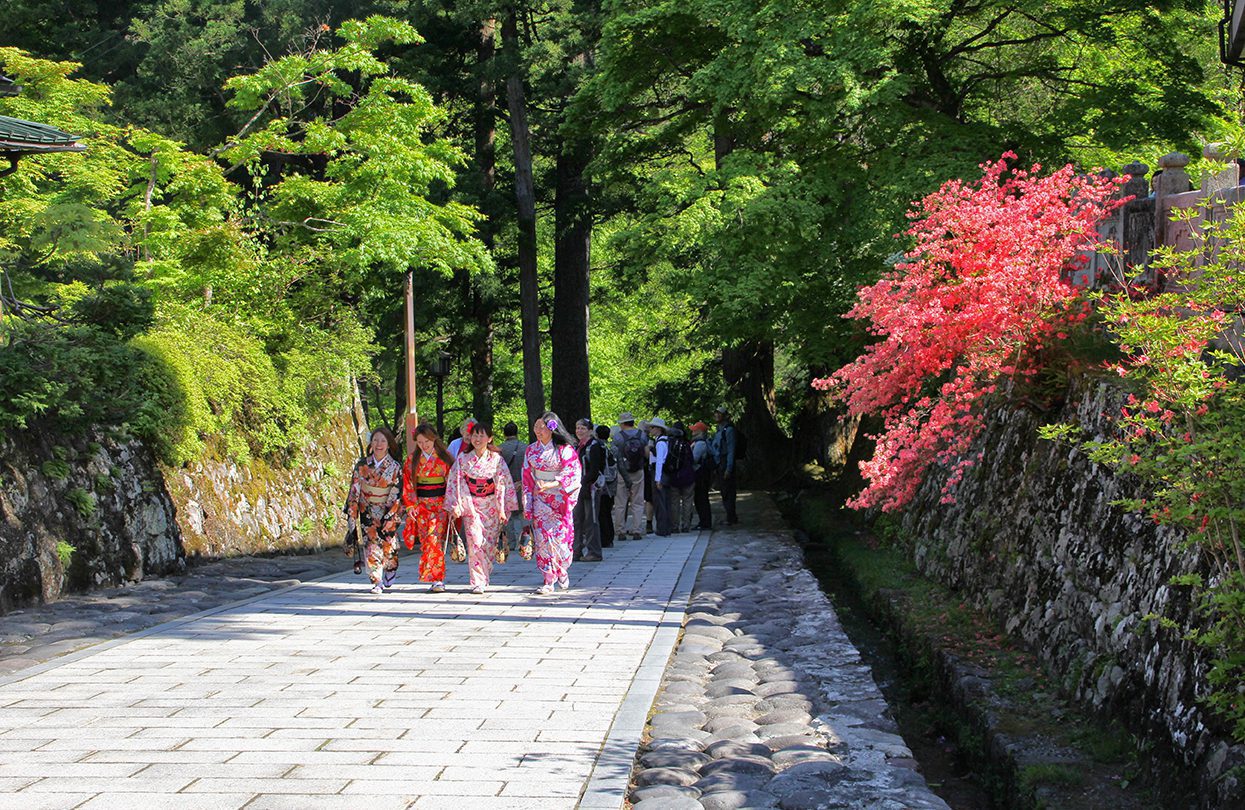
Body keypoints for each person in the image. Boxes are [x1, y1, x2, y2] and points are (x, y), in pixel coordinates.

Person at [444, 421, 518, 594]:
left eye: (481, 435)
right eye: (474, 435)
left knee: (489, 544)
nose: (477, 439)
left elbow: (502, 482)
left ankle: (485, 574)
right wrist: (457, 504)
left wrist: (502, 508)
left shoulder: (497, 459)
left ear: (489, 438)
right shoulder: (463, 458)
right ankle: (478, 580)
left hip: (491, 504)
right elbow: (456, 481)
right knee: (475, 542)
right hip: (471, 504)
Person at [521, 412, 582, 595]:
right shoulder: (531, 450)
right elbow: (526, 476)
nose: (538, 430)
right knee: (542, 541)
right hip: (540, 499)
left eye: (543, 427)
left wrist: (552, 484)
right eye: (536, 426)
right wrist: (529, 500)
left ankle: (562, 569)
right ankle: (548, 579)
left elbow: (573, 473)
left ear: (552, 428)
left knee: (562, 543)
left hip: (560, 500)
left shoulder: (565, 450)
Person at [347, 426, 402, 594]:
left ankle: (390, 567)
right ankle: (376, 580)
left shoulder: (394, 466)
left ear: (389, 444)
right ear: (371, 443)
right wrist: (353, 510)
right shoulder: (362, 465)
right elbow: (355, 488)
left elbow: (397, 490)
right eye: (376, 440)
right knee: (371, 545)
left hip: (387, 509)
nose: (379, 444)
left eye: (383, 441)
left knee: (388, 545)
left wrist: (391, 512)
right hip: (367, 509)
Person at [401, 423, 454, 593]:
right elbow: (408, 484)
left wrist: (451, 503)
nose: (424, 445)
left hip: (440, 505)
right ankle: (433, 577)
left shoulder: (445, 458)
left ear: (434, 439)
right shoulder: (412, 460)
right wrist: (411, 505)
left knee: (435, 540)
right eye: (420, 442)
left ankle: (437, 578)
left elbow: (452, 483)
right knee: (426, 541)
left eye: (427, 441)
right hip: (422, 505)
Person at [572, 419, 606, 562]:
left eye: (583, 428)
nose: (579, 431)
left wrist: (583, 481)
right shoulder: (578, 446)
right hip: (578, 488)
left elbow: (595, 469)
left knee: (591, 520)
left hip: (591, 488)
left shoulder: (594, 446)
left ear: (590, 430)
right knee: (577, 519)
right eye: (577, 428)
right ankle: (576, 550)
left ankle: (594, 552)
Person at [611, 412, 647, 541]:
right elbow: (646, 453)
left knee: (621, 502)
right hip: (638, 471)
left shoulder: (618, 437)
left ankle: (620, 531)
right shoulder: (642, 435)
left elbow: (614, 454)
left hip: (622, 472)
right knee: (637, 501)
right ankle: (637, 530)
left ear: (622, 423)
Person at [497, 421, 528, 549]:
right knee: (522, 514)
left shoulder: (500, 448)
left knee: (508, 514)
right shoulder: (525, 447)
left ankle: (511, 542)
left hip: (506, 484)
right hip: (522, 483)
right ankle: (525, 541)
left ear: (504, 433)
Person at [712, 406, 739, 525]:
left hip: (725, 463)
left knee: (729, 491)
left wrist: (729, 468)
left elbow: (731, 450)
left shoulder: (729, 430)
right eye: (716, 413)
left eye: (720, 413)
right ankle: (730, 516)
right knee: (724, 491)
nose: (717, 415)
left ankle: (731, 517)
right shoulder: (719, 430)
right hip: (719, 463)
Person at [668, 421, 696, 532]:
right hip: (687, 476)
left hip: (674, 476)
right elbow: (691, 460)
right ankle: (686, 525)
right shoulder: (686, 445)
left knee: (674, 502)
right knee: (687, 501)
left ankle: (675, 526)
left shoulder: (669, 444)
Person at [648, 417, 673, 536]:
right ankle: (666, 526)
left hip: (661, 474)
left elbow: (659, 462)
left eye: (652, 427)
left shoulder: (661, 443)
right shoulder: (663, 441)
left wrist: (658, 479)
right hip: (664, 474)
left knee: (661, 501)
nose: (650, 429)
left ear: (658, 429)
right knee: (664, 500)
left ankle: (663, 528)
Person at [690, 421, 714, 530]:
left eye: (694, 430)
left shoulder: (700, 444)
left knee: (701, 499)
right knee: (700, 498)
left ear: (700, 431)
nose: (692, 432)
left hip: (701, 475)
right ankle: (703, 521)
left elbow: (694, 459)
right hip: (702, 474)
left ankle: (705, 523)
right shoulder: (700, 442)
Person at [595, 424, 617, 548]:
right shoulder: (611, 447)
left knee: (601, 513)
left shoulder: (598, 447)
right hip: (611, 483)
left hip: (602, 484)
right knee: (607, 512)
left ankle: (604, 538)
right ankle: (609, 537)